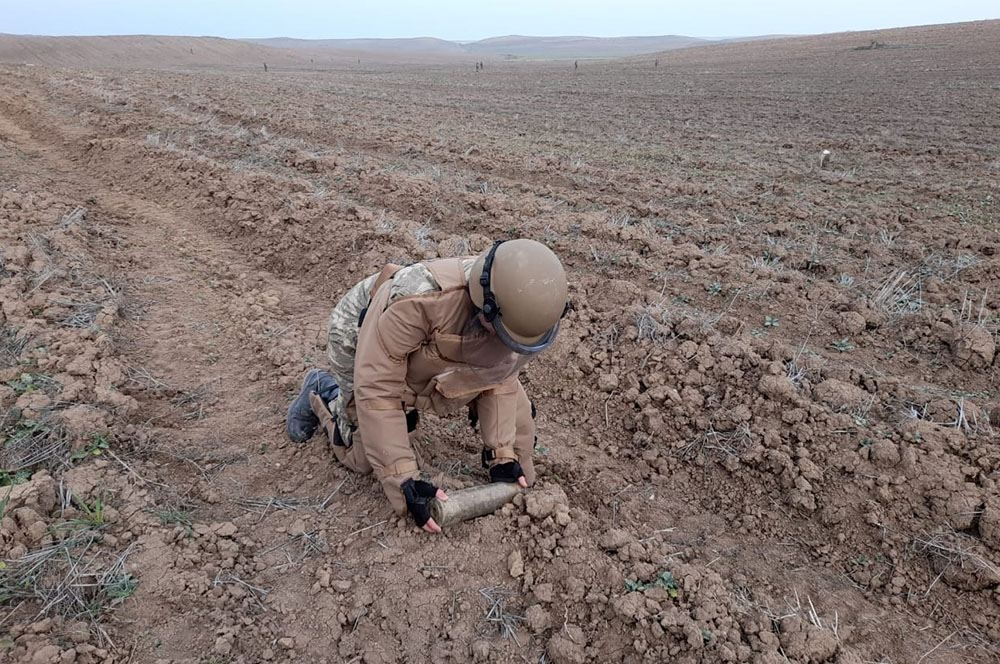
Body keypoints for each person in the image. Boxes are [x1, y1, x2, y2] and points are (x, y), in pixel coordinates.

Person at [285, 239, 568, 533]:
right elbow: (378, 387)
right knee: (364, 457)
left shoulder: (526, 312)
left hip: (432, 348)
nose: (511, 348)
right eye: (503, 337)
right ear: (485, 310)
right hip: (362, 334)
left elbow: (500, 377)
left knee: (514, 440)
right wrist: (404, 479)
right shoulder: (419, 300)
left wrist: (503, 456)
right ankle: (322, 390)